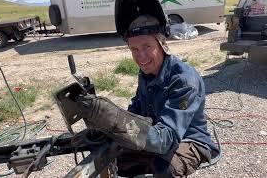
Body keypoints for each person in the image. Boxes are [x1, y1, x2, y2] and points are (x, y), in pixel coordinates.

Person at [75, 14, 220, 177]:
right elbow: (136, 111)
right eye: (134, 49)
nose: (141, 56)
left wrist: (114, 119)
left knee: (164, 169)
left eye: (147, 47)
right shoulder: (146, 72)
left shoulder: (185, 80)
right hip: (156, 135)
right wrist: (107, 128)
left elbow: (167, 139)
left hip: (189, 140)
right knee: (111, 157)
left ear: (161, 44)